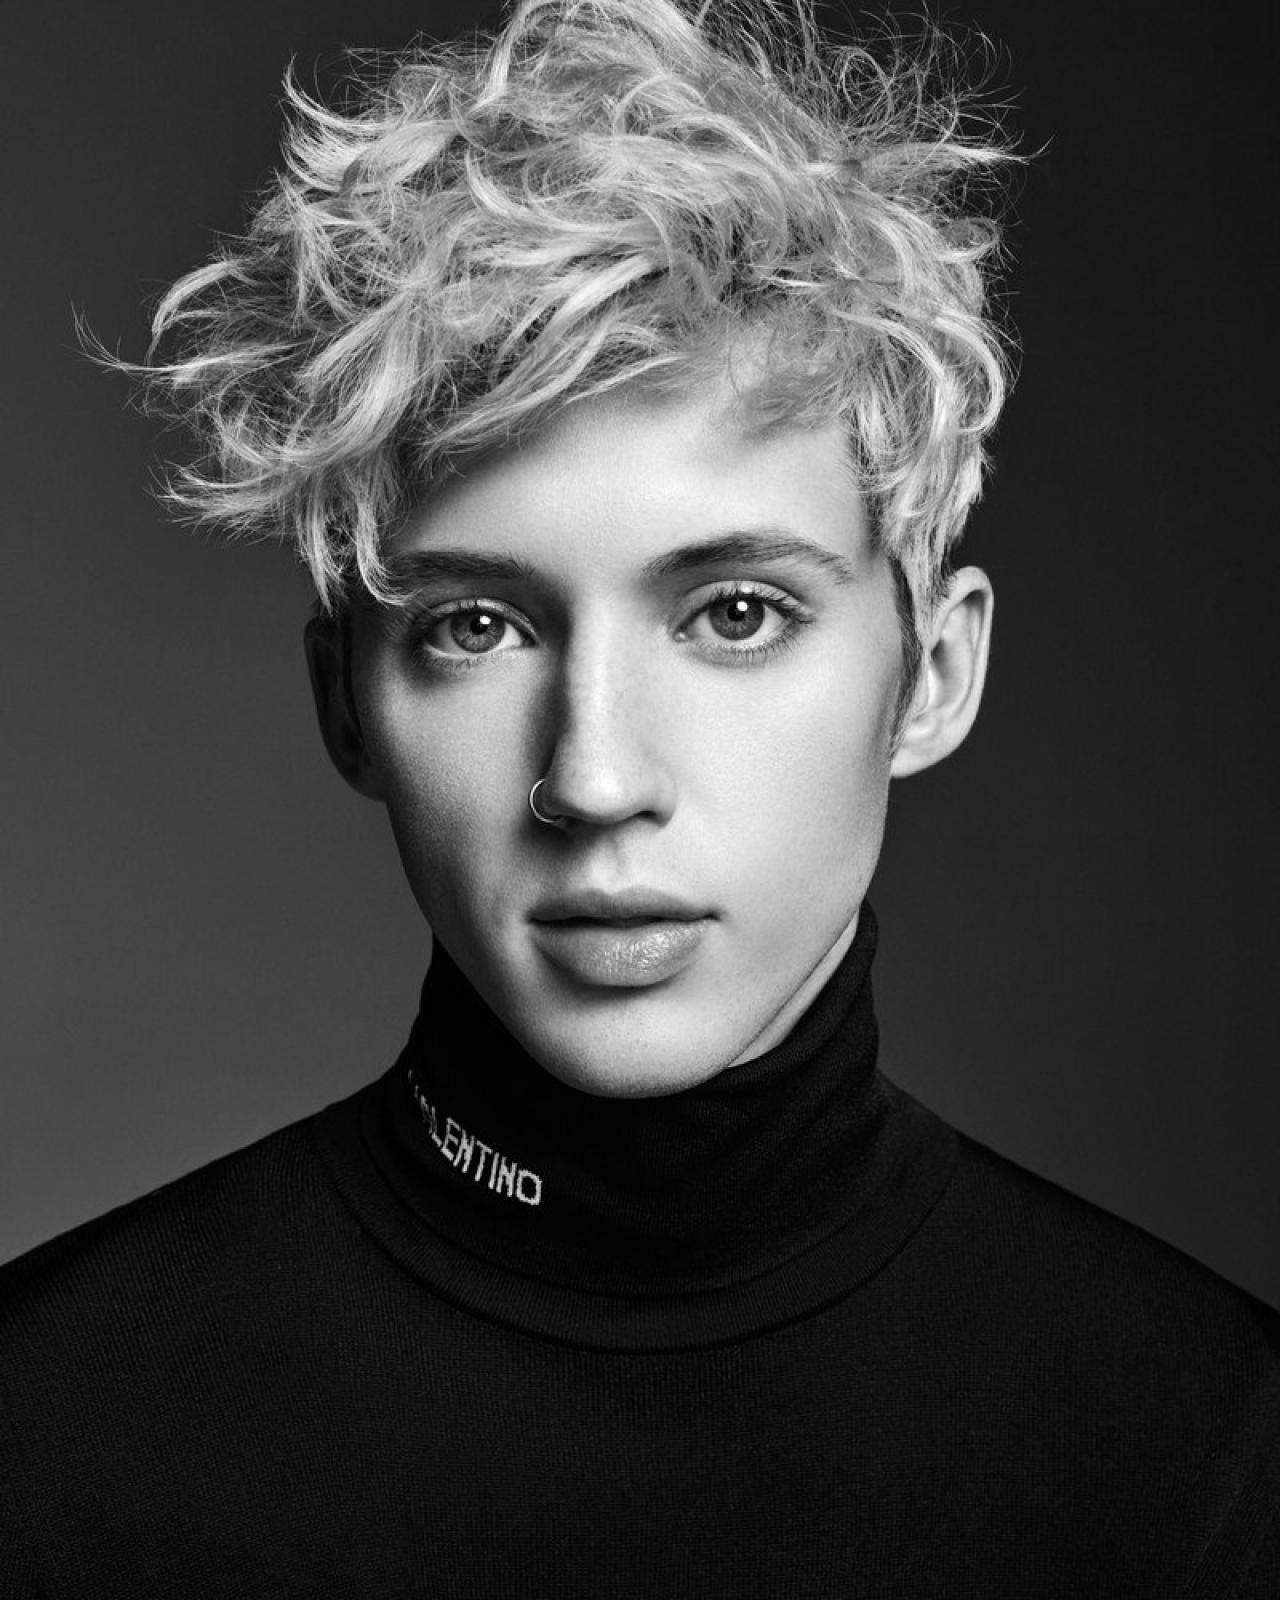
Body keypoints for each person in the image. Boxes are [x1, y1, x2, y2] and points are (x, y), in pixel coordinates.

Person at [1, 0, 1276, 1593]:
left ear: (933, 674)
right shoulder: (45, 1428)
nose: (594, 779)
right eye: (476, 626)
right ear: (347, 703)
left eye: (736, 613)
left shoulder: (1211, 1451)